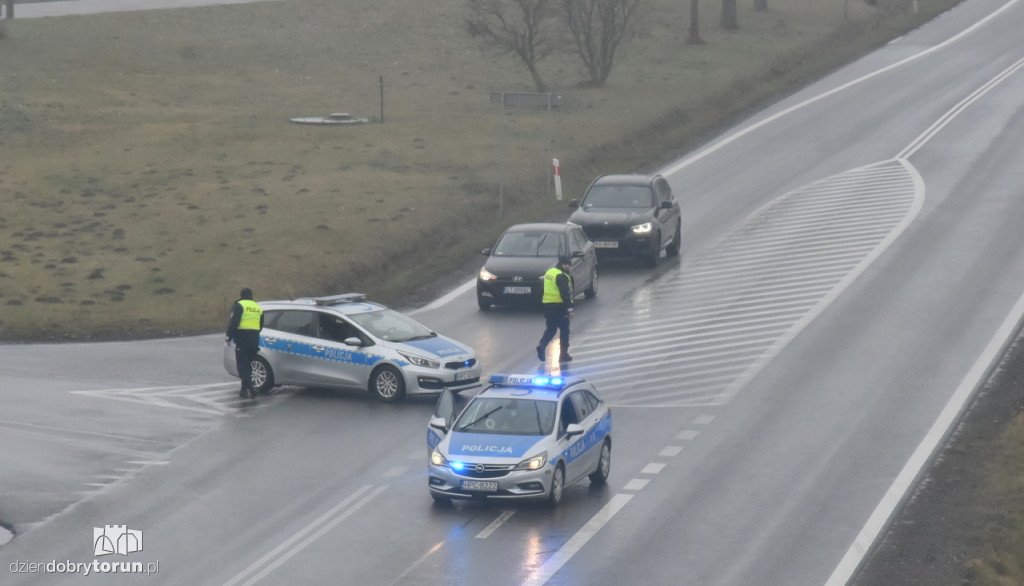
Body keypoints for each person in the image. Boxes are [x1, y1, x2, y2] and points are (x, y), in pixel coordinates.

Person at [226, 287, 264, 399]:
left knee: (242, 366)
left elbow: (234, 322)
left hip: (242, 340)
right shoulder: (257, 307)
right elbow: (261, 325)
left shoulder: (239, 305)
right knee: (248, 365)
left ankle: (251, 387)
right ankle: (243, 390)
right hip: (254, 340)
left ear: (241, 295)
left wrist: (228, 337)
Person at [536, 256, 575, 363]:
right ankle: (563, 355)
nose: (567, 266)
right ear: (561, 264)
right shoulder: (562, 276)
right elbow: (565, 294)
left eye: (568, 264)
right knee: (564, 331)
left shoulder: (550, 272)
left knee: (551, 329)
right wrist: (570, 309)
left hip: (548, 305)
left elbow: (543, 288)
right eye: (566, 264)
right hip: (560, 307)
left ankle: (542, 345)